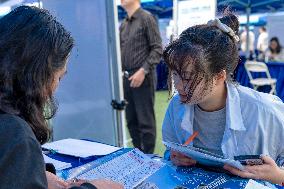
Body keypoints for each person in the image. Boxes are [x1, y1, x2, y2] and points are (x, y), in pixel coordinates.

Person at [0, 6, 123, 189]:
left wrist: (34, 173)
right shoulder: (14, 133)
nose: (56, 88)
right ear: (40, 75)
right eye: (58, 77)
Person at [162, 13, 284, 185]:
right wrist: (174, 157)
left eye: (188, 77)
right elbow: (169, 150)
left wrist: (278, 175)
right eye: (174, 74)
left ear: (219, 76)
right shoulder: (177, 106)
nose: (178, 85)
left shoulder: (265, 111)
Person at [120, 0, 162, 153]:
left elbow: (157, 48)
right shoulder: (123, 24)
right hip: (126, 78)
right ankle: (138, 154)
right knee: (131, 121)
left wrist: (143, 71)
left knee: (145, 121)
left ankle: (148, 157)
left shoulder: (146, 18)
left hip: (143, 76)